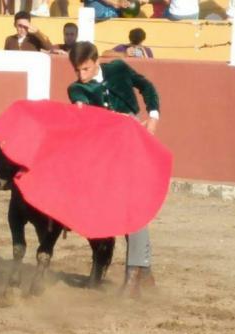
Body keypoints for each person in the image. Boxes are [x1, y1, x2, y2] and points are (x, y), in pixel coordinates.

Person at [67, 41, 160, 297]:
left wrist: (153, 116)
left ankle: (133, 277)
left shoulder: (118, 68)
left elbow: (146, 86)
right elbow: (84, 115)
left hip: (135, 141)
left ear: (96, 60)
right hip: (107, 150)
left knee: (134, 205)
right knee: (123, 207)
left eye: (85, 69)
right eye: (77, 70)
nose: (81, 76)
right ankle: (146, 272)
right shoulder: (76, 89)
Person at [84, 0, 149, 20]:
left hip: (116, 23)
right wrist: (115, 3)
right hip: (95, 21)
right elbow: (117, 3)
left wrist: (136, 2)